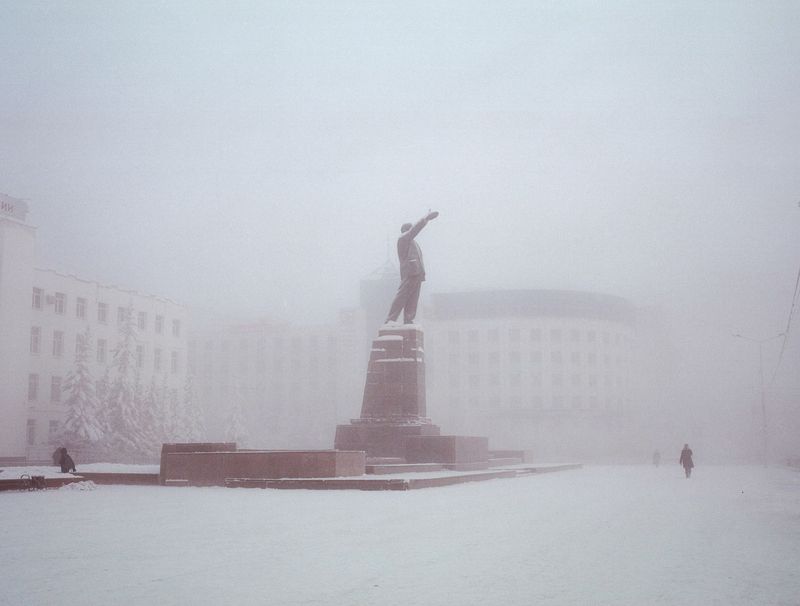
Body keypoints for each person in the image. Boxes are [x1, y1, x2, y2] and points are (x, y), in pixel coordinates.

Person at [385, 210, 439, 325]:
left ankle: (408, 319)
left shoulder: (413, 242)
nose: (412, 230)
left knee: (413, 298)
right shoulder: (403, 239)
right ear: (406, 230)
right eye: (410, 229)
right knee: (402, 296)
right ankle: (391, 319)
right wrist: (426, 218)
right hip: (410, 273)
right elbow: (415, 230)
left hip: (417, 273)